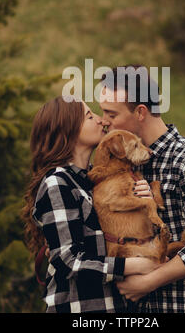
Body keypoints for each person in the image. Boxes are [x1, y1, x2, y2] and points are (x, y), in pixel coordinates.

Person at [98, 65, 185, 313]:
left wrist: (148, 282)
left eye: (111, 114)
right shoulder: (121, 164)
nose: (103, 121)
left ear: (141, 112)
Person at [21, 96, 160, 313]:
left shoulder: (92, 180)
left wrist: (145, 199)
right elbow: (68, 260)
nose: (101, 120)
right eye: (89, 116)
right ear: (68, 129)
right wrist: (136, 265)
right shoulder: (58, 183)